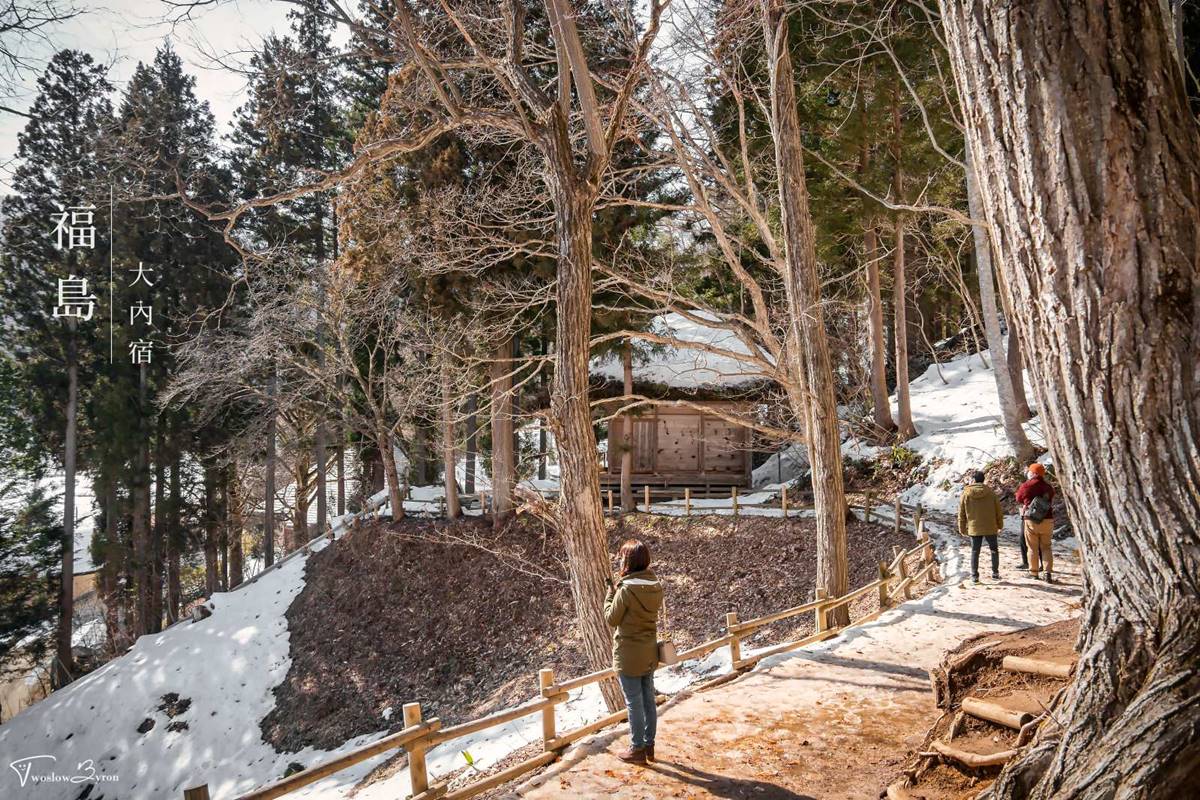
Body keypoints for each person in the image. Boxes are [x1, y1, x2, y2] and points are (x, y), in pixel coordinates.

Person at [604, 539, 663, 765]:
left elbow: (612, 618)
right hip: (649, 652)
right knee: (649, 699)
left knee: (634, 702)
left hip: (628, 654)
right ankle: (649, 746)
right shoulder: (655, 585)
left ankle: (636, 748)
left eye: (622, 557)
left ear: (628, 561)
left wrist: (609, 596)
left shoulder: (626, 590)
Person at [957, 470, 1004, 585]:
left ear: (973, 480)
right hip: (990, 526)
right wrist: (1000, 525)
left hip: (974, 527)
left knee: (975, 551)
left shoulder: (966, 493)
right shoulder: (991, 493)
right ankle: (995, 573)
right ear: (983, 480)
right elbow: (998, 511)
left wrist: (962, 528)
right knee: (994, 550)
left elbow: (961, 513)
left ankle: (974, 576)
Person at [1016, 463, 1055, 582]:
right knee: (1046, 547)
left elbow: (1018, 498)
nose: (1028, 473)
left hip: (1031, 520)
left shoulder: (1026, 485)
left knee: (1032, 547)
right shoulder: (1048, 487)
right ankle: (1047, 572)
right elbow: (1051, 496)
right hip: (1047, 519)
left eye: (1030, 471)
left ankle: (1034, 572)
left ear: (1034, 473)